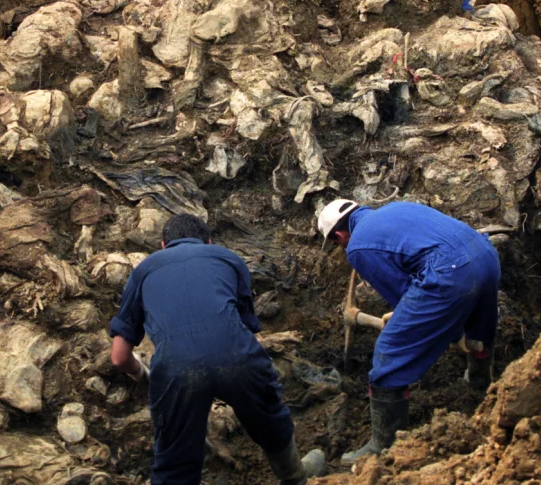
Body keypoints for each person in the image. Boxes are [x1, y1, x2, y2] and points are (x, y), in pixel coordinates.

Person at [108, 214, 318, 485]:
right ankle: (295, 477)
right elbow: (248, 330)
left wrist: (144, 376)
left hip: (176, 370)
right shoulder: (228, 258)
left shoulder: (143, 271)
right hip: (236, 357)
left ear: (162, 245)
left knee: (175, 462)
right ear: (208, 241)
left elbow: (119, 357)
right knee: (270, 419)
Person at [316, 199, 499, 463]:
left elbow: (403, 291)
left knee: (389, 353)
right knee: (479, 332)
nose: (341, 246)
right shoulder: (397, 207)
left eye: (336, 242)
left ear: (339, 234)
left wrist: (420, 321)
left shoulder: (357, 246)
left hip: (451, 274)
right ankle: (479, 386)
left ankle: (383, 445)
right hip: (485, 255)